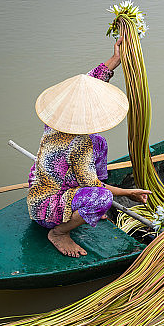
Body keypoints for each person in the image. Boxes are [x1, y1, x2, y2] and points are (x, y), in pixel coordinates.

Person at [27, 37, 151, 258]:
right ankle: (60, 232)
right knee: (102, 197)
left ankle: (85, 207)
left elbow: (88, 81)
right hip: (46, 211)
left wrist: (115, 59)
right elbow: (94, 186)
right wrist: (127, 193)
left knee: (100, 143)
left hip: (42, 190)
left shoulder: (54, 121)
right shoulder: (81, 143)